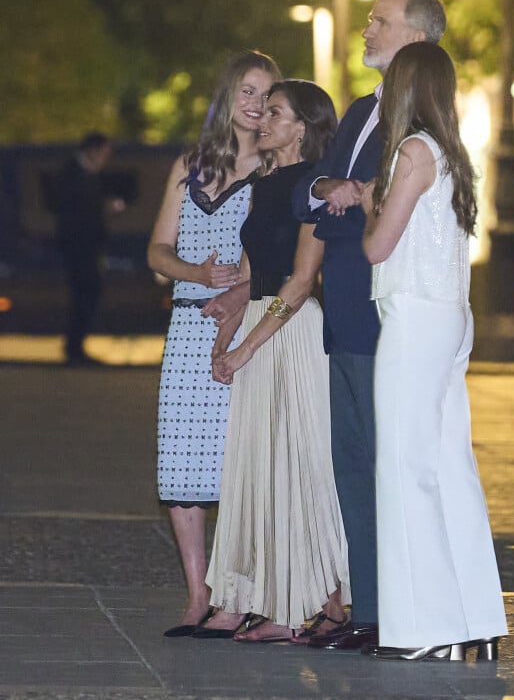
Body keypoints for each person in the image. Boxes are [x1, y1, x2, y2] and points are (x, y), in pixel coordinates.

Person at [291, 0, 446, 650]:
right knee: (353, 464)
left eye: (380, 21)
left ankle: (408, 609)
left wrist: (357, 195)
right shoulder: (359, 111)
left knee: (393, 466)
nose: (366, 29)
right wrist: (337, 188)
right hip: (344, 310)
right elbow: (306, 194)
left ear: (415, 36)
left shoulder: (425, 122)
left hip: (393, 312)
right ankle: (370, 611)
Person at [361, 42, 508, 661]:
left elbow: (376, 248)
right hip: (451, 315)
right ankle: (477, 615)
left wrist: (370, 203)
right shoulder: (452, 153)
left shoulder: (411, 152)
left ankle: (426, 627)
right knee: (450, 467)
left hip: (414, 316)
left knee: (404, 466)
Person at [193, 80, 350, 643]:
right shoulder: (264, 183)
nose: (261, 119)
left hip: (292, 331)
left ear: (302, 127)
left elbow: (302, 282)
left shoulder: (308, 186)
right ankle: (267, 601)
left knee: (303, 466)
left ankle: (320, 604)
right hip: (262, 323)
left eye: (275, 112)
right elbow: (247, 275)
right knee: (260, 468)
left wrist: (245, 346)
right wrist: (226, 336)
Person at [147, 50, 281, 637]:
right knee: (181, 463)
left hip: (248, 326)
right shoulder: (190, 166)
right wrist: (195, 274)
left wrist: (242, 283)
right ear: (228, 96)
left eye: (267, 96)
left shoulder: (277, 172)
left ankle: (241, 591)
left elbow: (291, 260)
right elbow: (156, 253)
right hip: (187, 325)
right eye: (248, 92)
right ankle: (197, 593)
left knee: (240, 464)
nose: (256, 105)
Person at [55, 132, 117, 366]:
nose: (105, 159)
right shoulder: (75, 175)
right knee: (85, 294)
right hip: (79, 248)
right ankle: (74, 348)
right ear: (93, 150)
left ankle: (75, 346)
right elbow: (77, 214)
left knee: (85, 294)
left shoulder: (84, 174)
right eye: (103, 153)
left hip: (84, 246)